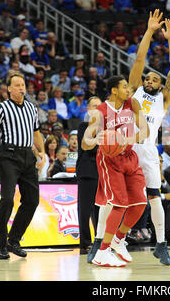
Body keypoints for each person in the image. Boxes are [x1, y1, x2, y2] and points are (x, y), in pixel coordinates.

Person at [127, 10, 170, 266]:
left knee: (154, 196)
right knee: (123, 197)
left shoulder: (164, 98)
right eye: (147, 77)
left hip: (147, 151)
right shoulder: (135, 89)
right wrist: (149, 31)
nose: (149, 80)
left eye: (154, 79)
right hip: (127, 147)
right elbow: (139, 59)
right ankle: (113, 240)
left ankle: (161, 244)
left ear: (160, 85)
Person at [82, 75, 149, 267]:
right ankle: (102, 252)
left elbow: (145, 131)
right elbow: (85, 143)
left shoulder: (131, 104)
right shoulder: (100, 112)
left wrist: (126, 140)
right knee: (119, 204)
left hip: (129, 156)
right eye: (125, 86)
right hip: (109, 160)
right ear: (113, 90)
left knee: (139, 203)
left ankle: (118, 239)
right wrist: (99, 140)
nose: (128, 90)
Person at [0, 72, 45, 260]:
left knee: (32, 200)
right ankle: (1, 243)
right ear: (9, 89)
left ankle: (14, 240)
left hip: (28, 156)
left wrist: (41, 151)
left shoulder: (31, 108)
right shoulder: (1, 108)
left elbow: (36, 133)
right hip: (9, 156)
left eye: (23, 85)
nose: (21, 88)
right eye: (17, 85)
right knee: (7, 199)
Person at [76, 96, 101, 255]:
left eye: (100, 106)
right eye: (94, 106)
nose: (97, 109)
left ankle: (100, 241)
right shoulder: (83, 126)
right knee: (85, 210)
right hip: (87, 172)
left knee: (100, 210)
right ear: (88, 109)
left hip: (101, 172)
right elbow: (89, 147)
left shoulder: (106, 128)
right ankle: (85, 243)